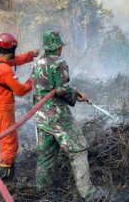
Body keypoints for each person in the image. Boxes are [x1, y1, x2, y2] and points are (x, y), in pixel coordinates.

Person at [32, 31, 111, 201]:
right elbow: (61, 89)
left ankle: (41, 191)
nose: (62, 48)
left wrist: (74, 92)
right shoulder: (59, 63)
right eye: (60, 46)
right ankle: (89, 194)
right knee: (79, 148)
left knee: (46, 154)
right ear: (57, 47)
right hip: (58, 117)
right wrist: (75, 97)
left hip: (40, 116)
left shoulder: (38, 63)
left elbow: (49, 87)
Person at [0, 32, 39, 182]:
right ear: (13, 48)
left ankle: (6, 178)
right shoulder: (4, 70)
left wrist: (30, 55)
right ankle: (4, 184)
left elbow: (13, 60)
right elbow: (21, 90)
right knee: (8, 145)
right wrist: (34, 78)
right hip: (2, 110)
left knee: (7, 143)